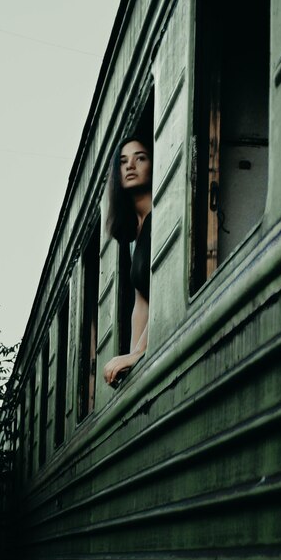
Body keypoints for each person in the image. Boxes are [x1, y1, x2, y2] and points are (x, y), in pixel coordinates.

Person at [103, 137, 152, 386]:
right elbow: (142, 304)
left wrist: (139, 354)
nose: (130, 165)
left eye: (140, 158)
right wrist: (133, 356)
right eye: (123, 161)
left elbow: (164, 296)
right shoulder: (137, 232)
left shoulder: (162, 214)